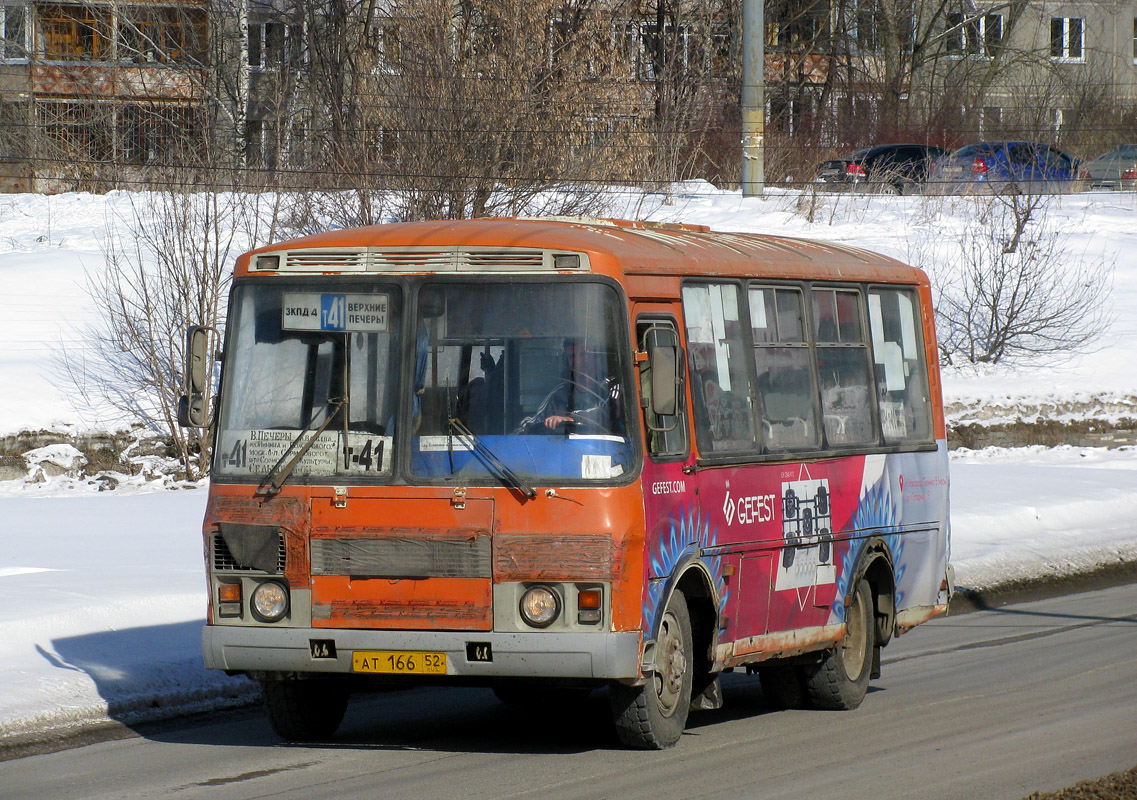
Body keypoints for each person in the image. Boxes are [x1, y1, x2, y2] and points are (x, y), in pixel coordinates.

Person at [515, 340, 623, 435]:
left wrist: (571, 419)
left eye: (583, 354)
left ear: (595, 356)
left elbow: (609, 414)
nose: (578, 362)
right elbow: (532, 423)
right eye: (572, 356)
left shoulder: (612, 385)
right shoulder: (560, 394)